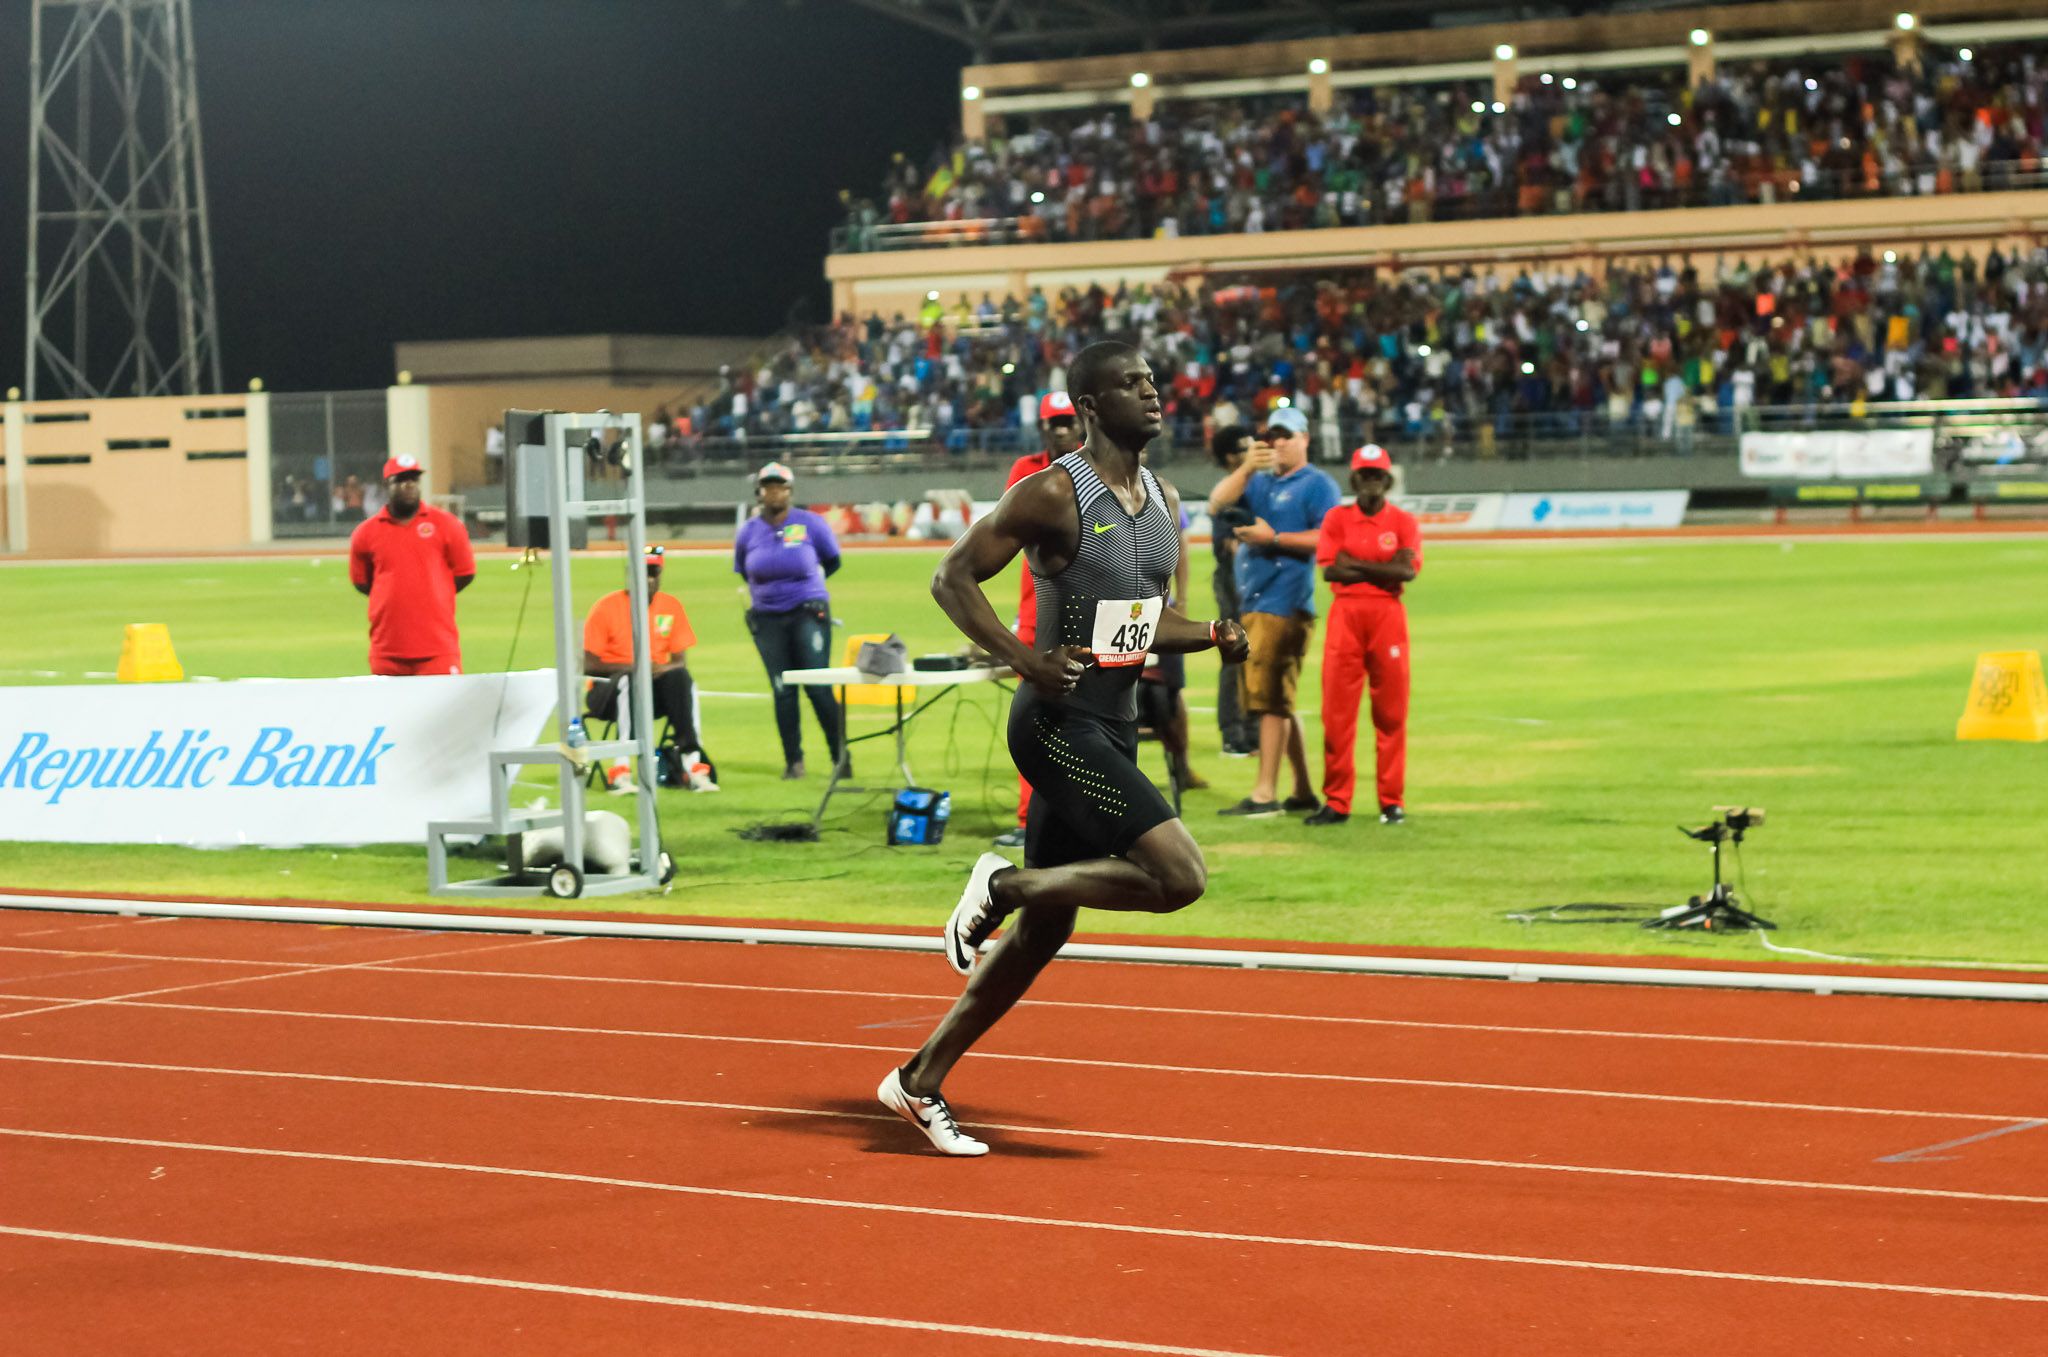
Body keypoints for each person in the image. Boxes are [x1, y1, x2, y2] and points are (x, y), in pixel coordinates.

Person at [876, 340, 1249, 1156]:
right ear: (1088, 404)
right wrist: (1023, 656)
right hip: (1056, 725)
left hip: (1114, 722)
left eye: (1153, 381)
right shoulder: (1052, 492)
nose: (1153, 394)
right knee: (1178, 876)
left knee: (1044, 935)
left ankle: (917, 1079)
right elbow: (950, 578)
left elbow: (1147, 625)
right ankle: (1002, 879)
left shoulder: (1163, 498)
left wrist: (1213, 632)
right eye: (1130, 384)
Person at [1205, 406, 1339, 817]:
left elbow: (1328, 537)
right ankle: (1300, 789)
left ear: (1305, 439)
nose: (1277, 442)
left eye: (1286, 435)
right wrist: (1246, 466)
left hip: (1286, 602)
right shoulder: (1259, 481)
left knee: (1269, 702)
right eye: (1271, 436)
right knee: (1277, 699)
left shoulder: (1318, 485)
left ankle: (1265, 794)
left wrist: (1273, 537)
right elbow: (1215, 504)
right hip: (1257, 601)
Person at [1308, 445, 1421, 826]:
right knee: (1337, 714)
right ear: (1354, 478)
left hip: (1387, 619)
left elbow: (1407, 572)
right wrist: (1384, 569)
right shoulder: (1336, 518)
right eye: (1365, 474)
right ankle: (1337, 801)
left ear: (1387, 480)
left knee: (1391, 713)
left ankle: (1392, 800)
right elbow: (1330, 572)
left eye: (1377, 474)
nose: (1371, 481)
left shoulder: (1403, 521)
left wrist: (1354, 563)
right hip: (1348, 617)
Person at [993, 390, 1085, 850]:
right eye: (1054, 423)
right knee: (1034, 721)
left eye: (1068, 421)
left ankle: (1086, 815)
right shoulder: (1026, 472)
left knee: (1093, 719)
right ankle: (1030, 817)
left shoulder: (1099, 471)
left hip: (1088, 615)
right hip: (1035, 614)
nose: (1062, 430)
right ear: (1043, 428)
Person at [734, 461, 845, 779]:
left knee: (817, 684)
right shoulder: (749, 531)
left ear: (790, 491)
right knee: (782, 690)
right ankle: (793, 761)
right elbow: (744, 568)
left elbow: (833, 561)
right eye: (768, 487)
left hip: (807, 610)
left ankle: (840, 756)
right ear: (760, 492)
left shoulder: (810, 523)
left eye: (780, 487)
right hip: (767, 617)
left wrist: (806, 587)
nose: (775, 492)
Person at [582, 544, 717, 793]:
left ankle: (695, 767)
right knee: (630, 681)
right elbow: (588, 665)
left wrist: (659, 669)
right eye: (643, 571)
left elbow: (679, 660)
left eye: (653, 573)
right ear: (629, 573)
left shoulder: (671, 606)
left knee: (682, 679)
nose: (648, 579)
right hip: (607, 691)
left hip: (652, 689)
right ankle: (620, 772)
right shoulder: (606, 607)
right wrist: (635, 668)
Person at [347, 454, 475, 676]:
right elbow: (362, 582)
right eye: (402, 479)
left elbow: (465, 573)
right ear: (387, 484)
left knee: (446, 711)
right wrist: (390, 593)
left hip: (438, 649)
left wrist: (436, 592)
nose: (409, 485)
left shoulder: (447, 525)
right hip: (387, 650)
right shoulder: (366, 533)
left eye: (414, 479)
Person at [1206, 425, 1258, 756]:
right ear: (1230, 457)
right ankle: (1232, 732)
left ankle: (1253, 730)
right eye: (1245, 447)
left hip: (1257, 581)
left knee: (1256, 656)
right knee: (1235, 652)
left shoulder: (1254, 488)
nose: (1254, 451)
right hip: (1233, 581)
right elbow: (1228, 545)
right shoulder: (1229, 493)